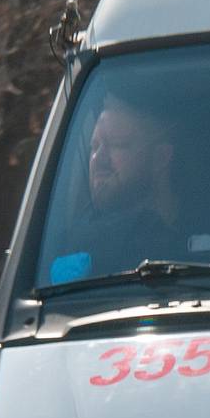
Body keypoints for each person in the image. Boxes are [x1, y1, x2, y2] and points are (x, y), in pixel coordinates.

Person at [46, 96, 181, 282]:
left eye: (118, 145)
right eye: (94, 147)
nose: (98, 159)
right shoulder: (70, 246)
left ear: (160, 157)